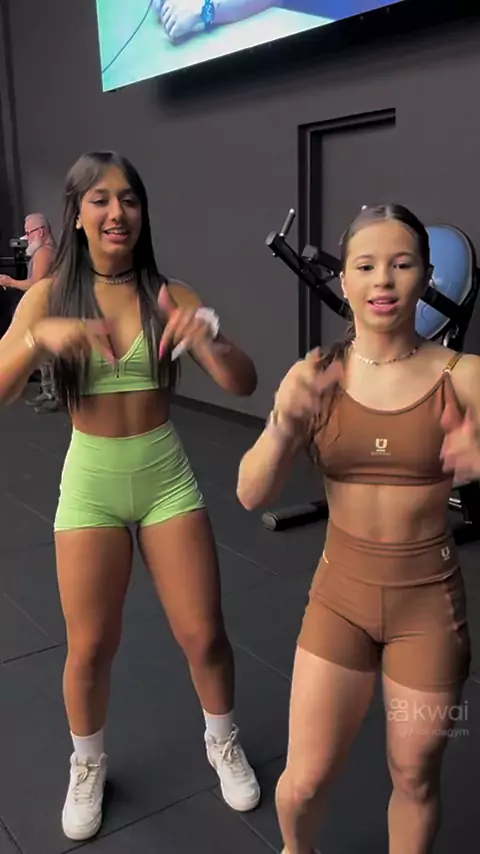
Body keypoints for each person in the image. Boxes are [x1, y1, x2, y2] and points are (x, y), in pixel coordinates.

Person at [0, 151, 260, 841]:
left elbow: (243, 382)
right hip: (91, 483)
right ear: (77, 215)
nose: (118, 213)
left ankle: (223, 740)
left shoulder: (168, 292)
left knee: (204, 633)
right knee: (90, 647)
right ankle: (87, 763)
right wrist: (36, 338)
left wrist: (209, 337)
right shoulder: (48, 297)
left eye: (130, 200)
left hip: (164, 474)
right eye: (101, 200)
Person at [237, 203, 479, 854]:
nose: (383, 281)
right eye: (366, 266)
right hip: (339, 600)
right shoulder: (314, 376)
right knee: (304, 781)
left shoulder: (466, 377)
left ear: (425, 275)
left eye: (402, 264)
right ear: (344, 280)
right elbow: (250, 493)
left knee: (415, 775)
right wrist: (283, 427)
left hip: (428, 609)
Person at [0, 212, 59, 412]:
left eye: (29, 232)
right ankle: (49, 392)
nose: (26, 238)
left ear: (41, 232)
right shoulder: (44, 252)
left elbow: (36, 284)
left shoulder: (44, 253)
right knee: (44, 353)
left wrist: (10, 282)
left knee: (48, 354)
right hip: (45, 308)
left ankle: (54, 394)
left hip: (47, 309)